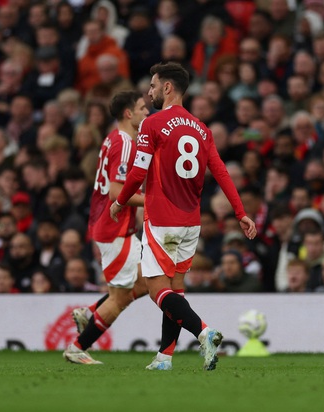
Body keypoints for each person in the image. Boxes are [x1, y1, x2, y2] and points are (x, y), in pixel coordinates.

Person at [110, 62, 256, 371]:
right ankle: (164, 358)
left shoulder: (152, 124)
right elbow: (221, 172)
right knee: (175, 290)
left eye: (152, 86)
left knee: (155, 289)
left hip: (161, 219)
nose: (148, 92)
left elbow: (137, 172)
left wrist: (121, 201)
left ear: (167, 87)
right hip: (191, 222)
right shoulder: (202, 128)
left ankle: (204, 331)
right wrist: (241, 213)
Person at [63, 91, 149, 365]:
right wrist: (153, 201)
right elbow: (115, 192)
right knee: (121, 297)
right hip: (113, 227)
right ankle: (78, 346)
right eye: (142, 108)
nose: (146, 113)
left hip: (111, 225)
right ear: (128, 113)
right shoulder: (124, 143)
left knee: (149, 279)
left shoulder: (115, 138)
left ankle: (89, 313)